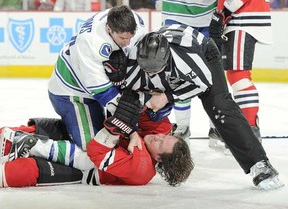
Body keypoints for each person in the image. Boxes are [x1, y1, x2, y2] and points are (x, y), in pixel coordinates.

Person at [115, 24, 283, 190]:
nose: (151, 75)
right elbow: (124, 96)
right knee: (138, 105)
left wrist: (167, 96)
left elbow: (203, 85)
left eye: (156, 71)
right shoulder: (132, 61)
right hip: (165, 58)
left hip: (204, 54)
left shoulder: (187, 60)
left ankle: (259, 164)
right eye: (147, 70)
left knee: (220, 106)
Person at [0, 94, 193, 187]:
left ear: (159, 158)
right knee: (22, 132)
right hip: (92, 133)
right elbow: (138, 105)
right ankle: (28, 141)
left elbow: (95, 151)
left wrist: (120, 126)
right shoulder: (161, 130)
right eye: (165, 137)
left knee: (28, 169)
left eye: (160, 143)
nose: (158, 136)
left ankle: (35, 147)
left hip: (88, 167)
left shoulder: (141, 169)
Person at [47, 5, 146, 151]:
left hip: (92, 85)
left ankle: (70, 126)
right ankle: (34, 141)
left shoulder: (131, 19)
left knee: (110, 136)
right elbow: (104, 93)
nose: (127, 43)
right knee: (94, 149)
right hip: (71, 93)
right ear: (109, 29)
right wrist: (131, 130)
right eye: (123, 38)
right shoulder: (90, 43)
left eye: (130, 37)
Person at [144, 0, 219, 140]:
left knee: (212, 78)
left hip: (207, 22)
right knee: (177, 76)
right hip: (174, 21)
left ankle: (216, 126)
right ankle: (183, 125)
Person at [208, 0, 274, 146]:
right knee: (236, 75)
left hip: (243, 19)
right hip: (242, 17)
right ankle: (248, 129)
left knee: (239, 76)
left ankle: (249, 131)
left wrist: (224, 12)